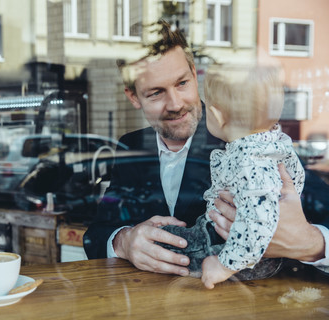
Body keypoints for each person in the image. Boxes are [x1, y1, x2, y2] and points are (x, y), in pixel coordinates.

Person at [83, 20, 329, 277]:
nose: (176, 104)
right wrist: (123, 241)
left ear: (193, 73)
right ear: (133, 96)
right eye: (156, 93)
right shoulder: (130, 145)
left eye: (182, 83)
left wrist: (310, 244)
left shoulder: (248, 137)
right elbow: (96, 234)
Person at [157, 63, 305, 288]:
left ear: (215, 115)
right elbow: (296, 181)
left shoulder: (250, 162)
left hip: (234, 253)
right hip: (243, 247)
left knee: (165, 244)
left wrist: (224, 265)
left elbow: (258, 221)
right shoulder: (272, 147)